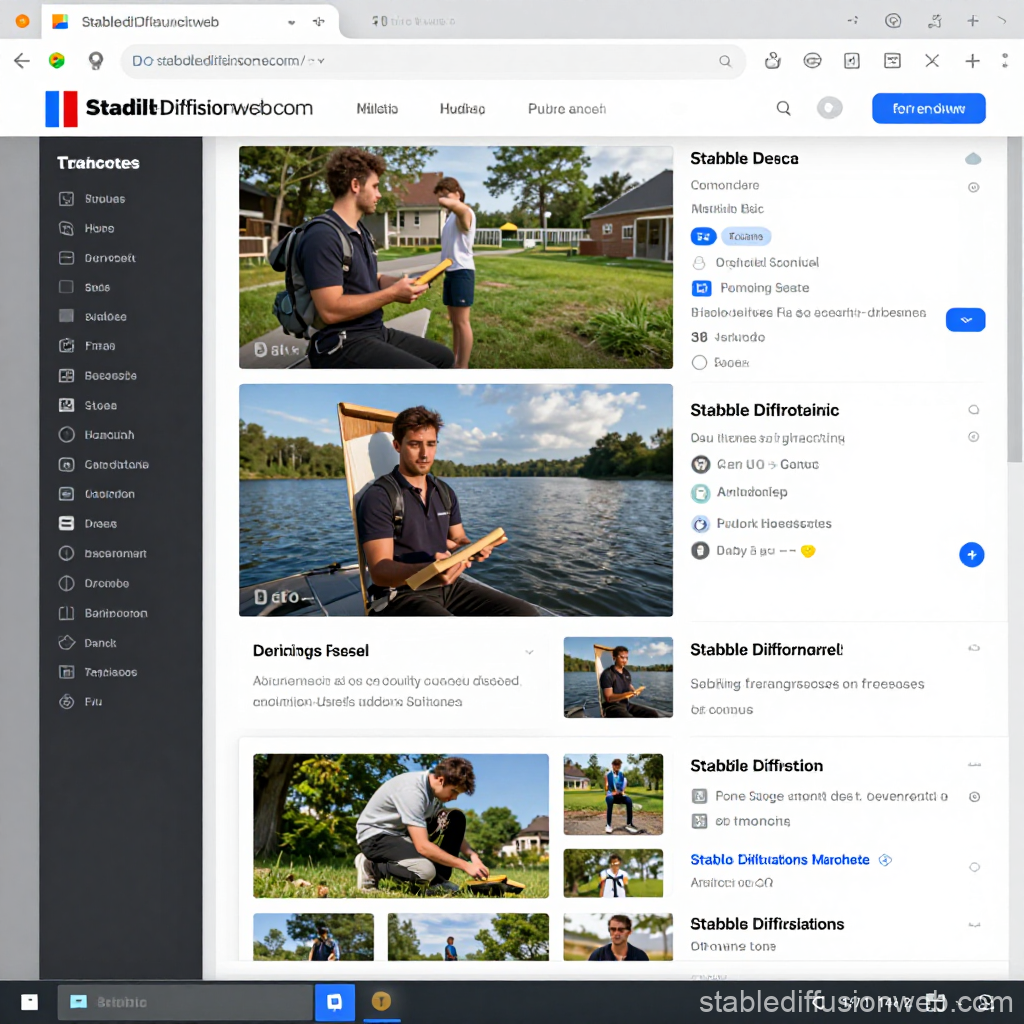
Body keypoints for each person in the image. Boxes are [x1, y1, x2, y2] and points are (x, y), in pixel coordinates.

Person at [357, 405, 541, 616]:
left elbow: (458, 540)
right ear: (398, 446)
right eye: (415, 445)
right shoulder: (379, 496)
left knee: (525, 614)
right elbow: (380, 572)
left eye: (431, 444)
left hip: (448, 586)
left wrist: (472, 550)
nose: (425, 454)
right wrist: (429, 571)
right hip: (400, 593)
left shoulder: (444, 492)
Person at [296, 147, 454, 369]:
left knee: (444, 357)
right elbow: (330, 310)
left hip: (374, 331)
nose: (379, 194)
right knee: (427, 372)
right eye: (375, 186)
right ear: (355, 185)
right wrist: (392, 294)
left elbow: (370, 277)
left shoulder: (361, 231)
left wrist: (405, 283)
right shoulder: (323, 235)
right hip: (340, 342)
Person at [354, 757, 490, 894]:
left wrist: (473, 856)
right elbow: (423, 846)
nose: (454, 797)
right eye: (454, 791)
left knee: (455, 817)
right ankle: (371, 866)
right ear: (441, 780)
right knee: (425, 871)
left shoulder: (433, 794)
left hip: (401, 833)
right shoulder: (413, 792)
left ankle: (439, 881)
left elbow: (448, 828)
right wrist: (465, 865)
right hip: (375, 836)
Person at [434, 176, 476, 369]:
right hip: (451, 272)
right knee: (454, 322)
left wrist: (443, 199)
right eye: (440, 196)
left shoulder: (465, 212)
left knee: (462, 322)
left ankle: (463, 366)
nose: (442, 200)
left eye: (447, 195)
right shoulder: (450, 217)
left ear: (458, 195)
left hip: (462, 272)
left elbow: (463, 217)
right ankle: (456, 360)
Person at [600, 646, 659, 718]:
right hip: (612, 707)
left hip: (626, 705)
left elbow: (629, 686)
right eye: (622, 657)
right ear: (614, 657)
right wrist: (625, 695)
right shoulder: (607, 674)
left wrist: (634, 691)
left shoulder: (626, 673)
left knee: (653, 713)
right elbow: (609, 698)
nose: (625, 660)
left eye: (626, 658)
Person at [604, 759, 640, 835]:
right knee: (609, 799)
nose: (617, 767)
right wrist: (613, 793)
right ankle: (608, 825)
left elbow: (622, 786)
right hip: (611, 796)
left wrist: (622, 792)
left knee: (629, 800)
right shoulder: (608, 775)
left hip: (620, 795)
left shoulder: (621, 774)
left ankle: (629, 824)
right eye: (616, 765)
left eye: (619, 766)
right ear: (612, 765)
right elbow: (606, 789)